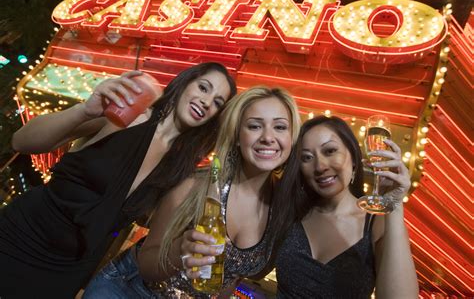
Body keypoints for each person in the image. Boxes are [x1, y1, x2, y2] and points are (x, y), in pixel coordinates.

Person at [0, 62, 236, 298]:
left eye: (217, 102)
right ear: (184, 82)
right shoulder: (132, 112)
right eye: (204, 88)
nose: (206, 102)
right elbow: (21, 141)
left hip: (68, 270)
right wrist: (84, 110)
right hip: (22, 236)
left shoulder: (178, 171)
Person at [82, 86, 301, 298]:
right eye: (254, 126)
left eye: (280, 127)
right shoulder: (193, 186)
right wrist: (180, 251)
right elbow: (146, 266)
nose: (268, 137)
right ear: (236, 136)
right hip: (128, 290)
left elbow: (231, 280)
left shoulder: (283, 212)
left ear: (291, 138)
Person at [273, 115, 419, 298]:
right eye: (307, 157)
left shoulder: (376, 223)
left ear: (354, 159)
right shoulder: (291, 212)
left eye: (330, 151)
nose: (320, 166)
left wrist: (394, 206)